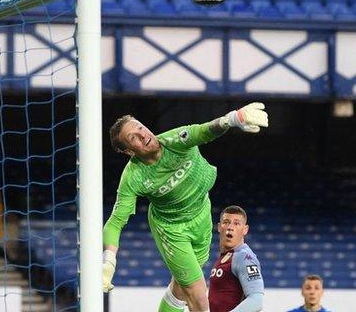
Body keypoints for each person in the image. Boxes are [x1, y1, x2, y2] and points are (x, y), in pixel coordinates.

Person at [102, 103, 269, 312]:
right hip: (172, 229)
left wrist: (232, 119)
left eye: (140, 128)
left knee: (181, 290)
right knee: (198, 294)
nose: (142, 135)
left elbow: (205, 130)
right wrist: (109, 260)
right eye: (133, 137)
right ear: (128, 151)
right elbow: (116, 221)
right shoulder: (133, 177)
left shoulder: (175, 139)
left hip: (201, 213)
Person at [208, 205, 264, 312]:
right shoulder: (226, 256)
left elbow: (256, 301)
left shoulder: (244, 257)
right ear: (219, 227)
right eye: (226, 222)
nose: (230, 227)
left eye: (236, 223)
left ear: (245, 229)